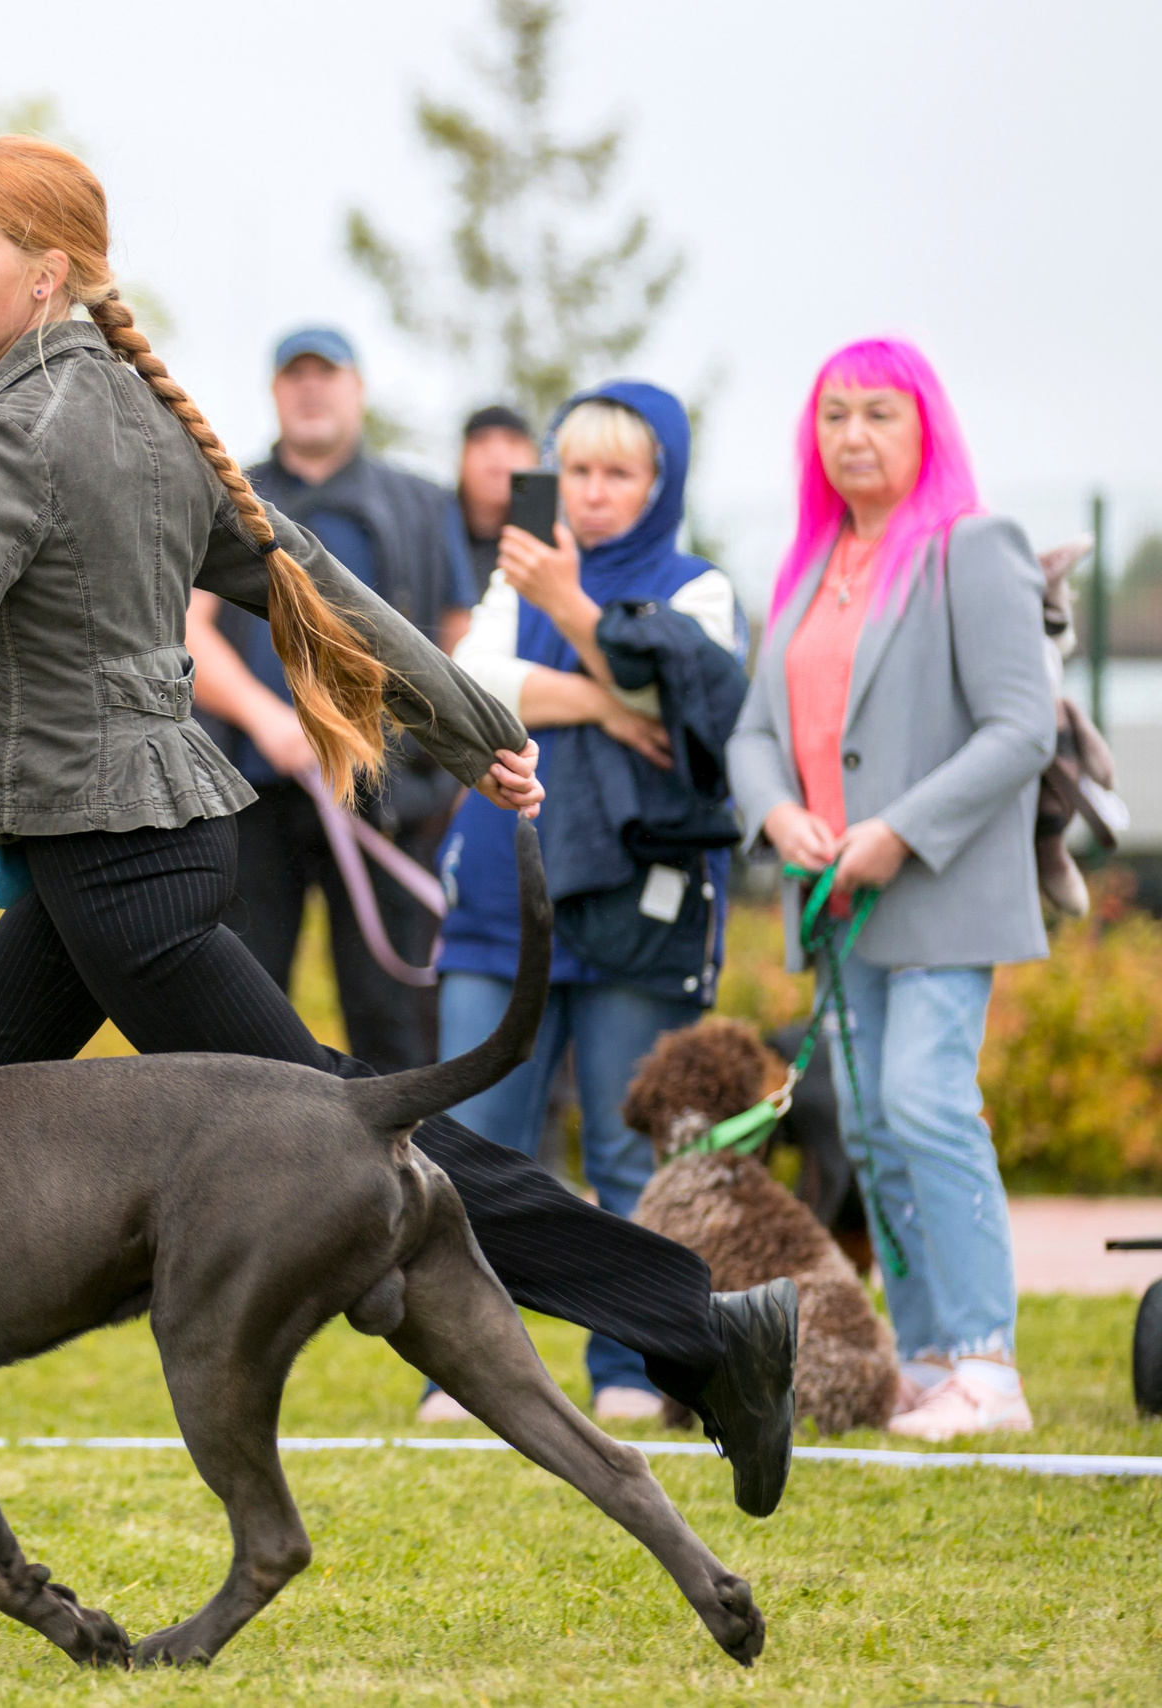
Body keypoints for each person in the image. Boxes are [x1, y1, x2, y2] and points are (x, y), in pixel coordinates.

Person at [0, 135, 797, 1603]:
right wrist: (468, 724)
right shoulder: (143, 413)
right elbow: (316, 585)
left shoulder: (15, 439)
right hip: (123, 856)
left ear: (52, 267)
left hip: (117, 875)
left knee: (368, 1144)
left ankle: (700, 1326)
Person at [729, 338, 1053, 1439]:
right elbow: (753, 734)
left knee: (923, 1101)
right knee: (866, 1129)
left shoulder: (972, 547)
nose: (853, 435)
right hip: (832, 903)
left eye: (878, 413)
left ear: (925, 428)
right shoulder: (807, 564)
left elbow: (1023, 725)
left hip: (936, 889)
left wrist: (897, 834)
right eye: (834, 416)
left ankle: (986, 1366)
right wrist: (778, 814)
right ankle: (921, 1361)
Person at [434, 382, 749, 1423]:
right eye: (577, 470)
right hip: (495, 891)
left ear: (662, 484)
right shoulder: (508, 570)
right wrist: (606, 701)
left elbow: (692, 691)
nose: (596, 492)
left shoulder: (698, 585)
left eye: (621, 472)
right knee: (470, 1145)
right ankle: (464, 1373)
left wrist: (569, 613)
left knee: (629, 1145)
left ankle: (629, 1370)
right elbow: (467, 681)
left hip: (635, 909)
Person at [186, 327, 474, 1071]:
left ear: (358, 389)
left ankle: (411, 1180)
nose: (311, 388)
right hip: (253, 801)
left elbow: (457, 643)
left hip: (388, 800)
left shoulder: (421, 503)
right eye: (295, 375)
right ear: (276, 391)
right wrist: (263, 716)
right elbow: (187, 633)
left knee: (394, 1022)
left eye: (327, 374)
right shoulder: (227, 495)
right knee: (241, 1019)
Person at [451, 404, 542, 595]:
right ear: (461, 458)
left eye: (512, 442)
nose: (497, 454)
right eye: (481, 442)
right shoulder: (432, 533)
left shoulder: (557, 544)